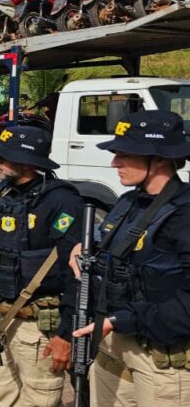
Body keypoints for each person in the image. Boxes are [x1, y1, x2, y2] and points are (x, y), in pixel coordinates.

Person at [70, 110, 190, 406]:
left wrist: (125, 319)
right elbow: (107, 240)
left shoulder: (184, 213)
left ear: (160, 158)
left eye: (125, 154)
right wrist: (80, 247)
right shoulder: (128, 201)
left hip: (160, 358)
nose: (114, 163)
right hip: (113, 342)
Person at [0, 125, 84, 407]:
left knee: (39, 400)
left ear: (27, 161)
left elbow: (76, 273)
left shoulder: (61, 200)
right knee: (7, 396)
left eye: (4, 156)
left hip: (38, 327)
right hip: (1, 318)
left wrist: (65, 335)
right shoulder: (6, 194)